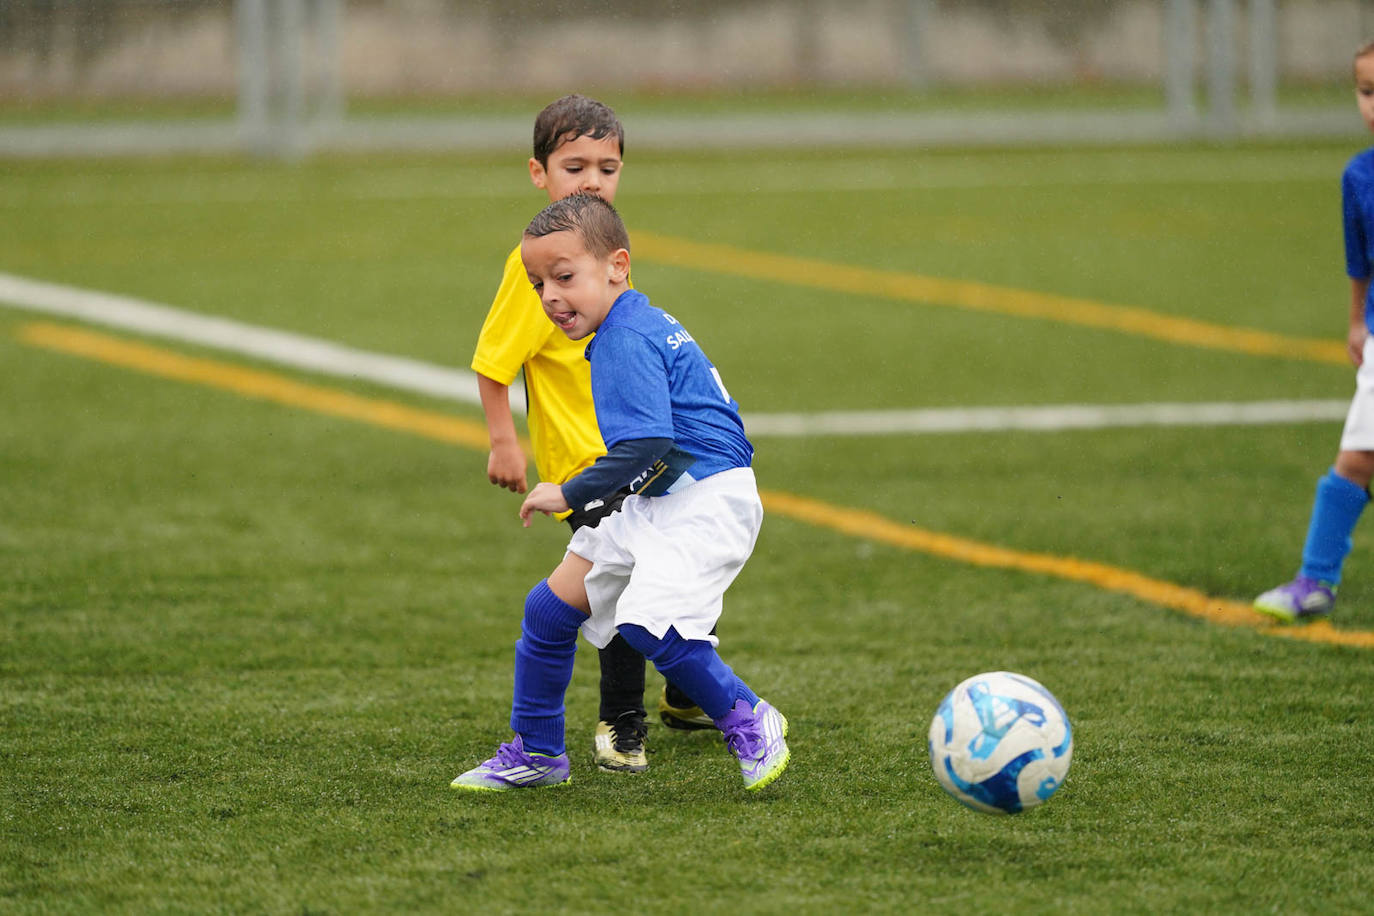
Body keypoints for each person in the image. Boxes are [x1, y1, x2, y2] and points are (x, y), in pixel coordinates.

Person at [451, 193, 790, 792]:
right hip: (664, 493)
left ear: (618, 265)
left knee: (647, 624)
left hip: (704, 500)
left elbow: (647, 443)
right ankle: (538, 752)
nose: (550, 296)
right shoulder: (631, 323)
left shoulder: (623, 339)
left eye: (564, 277)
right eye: (538, 284)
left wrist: (571, 492)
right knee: (550, 610)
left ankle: (750, 719)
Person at [471, 95, 711, 775]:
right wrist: (504, 441)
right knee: (610, 587)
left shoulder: (604, 255)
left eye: (608, 167)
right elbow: (495, 364)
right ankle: (621, 721)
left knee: (673, 559)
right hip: (588, 464)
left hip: (642, 450)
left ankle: (687, 685)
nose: (593, 180)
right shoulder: (540, 267)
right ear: (538, 174)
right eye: (575, 165)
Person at [1255, 41, 1374, 623]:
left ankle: (1316, 577)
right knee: (1355, 460)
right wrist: (1356, 320)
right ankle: (1316, 579)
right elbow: (1362, 259)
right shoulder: (1359, 175)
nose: (1373, 105)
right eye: (1366, 91)